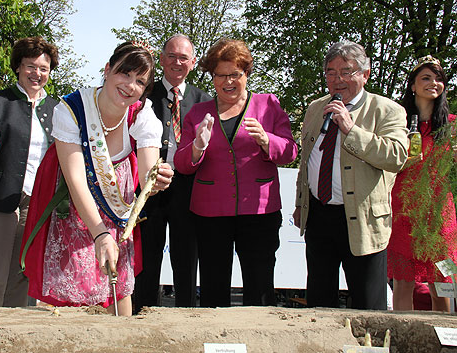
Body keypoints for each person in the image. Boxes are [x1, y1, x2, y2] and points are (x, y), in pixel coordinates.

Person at [22, 41, 173, 316]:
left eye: (140, 81)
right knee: (74, 276)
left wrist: (157, 180)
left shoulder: (142, 113)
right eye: (124, 74)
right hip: (74, 205)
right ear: (107, 70)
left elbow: (148, 170)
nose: (130, 85)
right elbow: (76, 178)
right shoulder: (71, 108)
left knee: (118, 280)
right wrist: (99, 232)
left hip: (117, 206)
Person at [173, 38, 297, 307]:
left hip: (260, 212)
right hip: (210, 214)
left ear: (247, 73)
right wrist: (197, 146)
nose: (228, 82)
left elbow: (290, 151)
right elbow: (181, 164)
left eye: (235, 75)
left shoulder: (269, 104)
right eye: (220, 75)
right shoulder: (197, 112)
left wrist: (267, 140)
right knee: (213, 288)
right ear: (212, 77)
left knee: (260, 286)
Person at [293, 41, 408, 310]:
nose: (338, 80)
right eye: (331, 73)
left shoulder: (387, 110)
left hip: (363, 219)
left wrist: (350, 128)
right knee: (319, 304)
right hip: (320, 217)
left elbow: (396, 156)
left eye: (347, 72)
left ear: (365, 74)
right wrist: (301, 203)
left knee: (369, 306)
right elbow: (307, 161)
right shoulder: (315, 108)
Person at [0, 36, 59, 307]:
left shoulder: (56, 109)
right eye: (30, 66)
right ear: (18, 67)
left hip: (37, 202)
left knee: (22, 275)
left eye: (43, 68)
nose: (36, 74)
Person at [133, 34, 211, 311]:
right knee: (147, 258)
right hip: (149, 189)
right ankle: (142, 313)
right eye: (172, 56)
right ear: (162, 59)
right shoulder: (143, 93)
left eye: (183, 58)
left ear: (192, 62)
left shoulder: (204, 101)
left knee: (186, 259)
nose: (177, 63)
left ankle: (187, 315)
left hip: (188, 191)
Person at [387, 56, 457, 312]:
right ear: (413, 85)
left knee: (444, 279)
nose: (433, 83)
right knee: (404, 282)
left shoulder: (451, 125)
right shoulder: (398, 122)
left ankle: (446, 339)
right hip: (404, 208)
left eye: (438, 78)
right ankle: (402, 338)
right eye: (426, 78)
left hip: (440, 215)